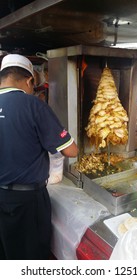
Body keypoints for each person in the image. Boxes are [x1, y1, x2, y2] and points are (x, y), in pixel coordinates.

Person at [0, 54, 79, 260]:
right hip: (27, 201)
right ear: (29, 81)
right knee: (32, 257)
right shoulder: (33, 105)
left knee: (7, 252)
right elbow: (71, 150)